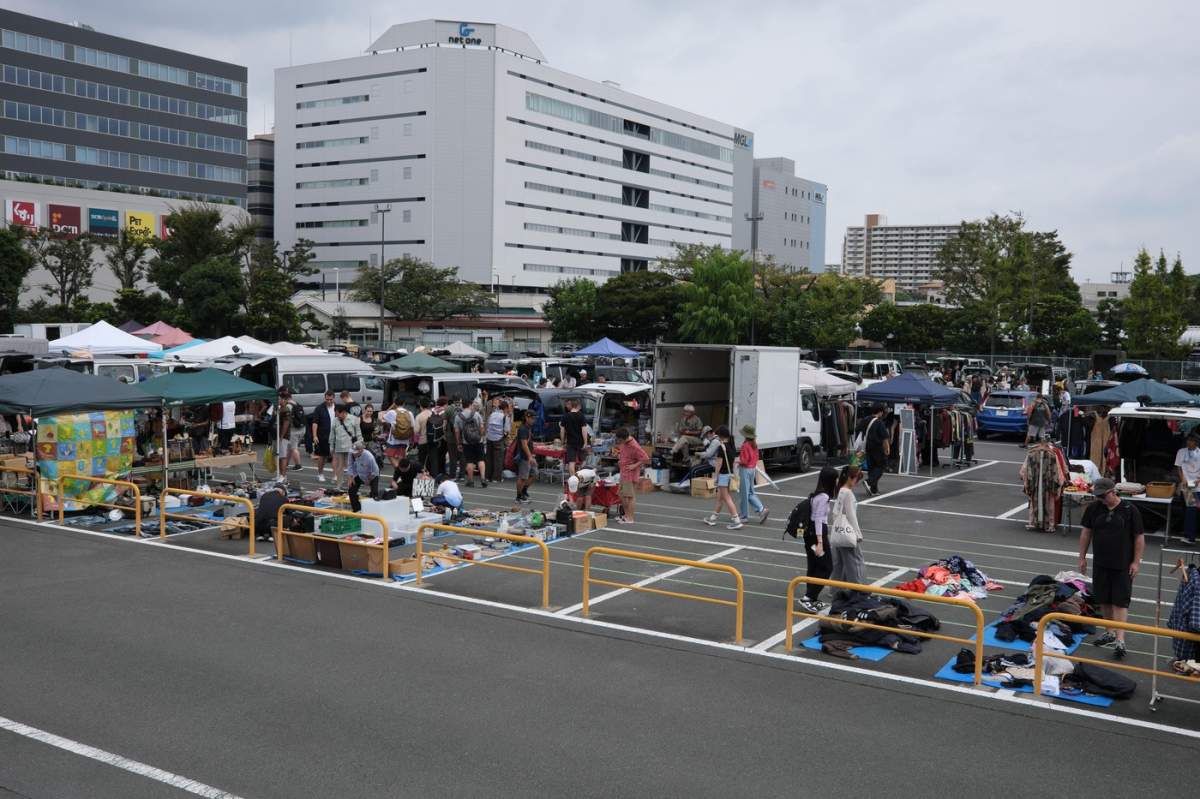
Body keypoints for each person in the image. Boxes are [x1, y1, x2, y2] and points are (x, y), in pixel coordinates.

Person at [1079, 477, 1145, 660]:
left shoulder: (1130, 510)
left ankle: (1120, 640)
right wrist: (1082, 557)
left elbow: (1139, 538)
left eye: (1103, 495)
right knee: (1104, 600)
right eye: (1098, 496)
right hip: (1101, 563)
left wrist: (1136, 562)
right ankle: (1109, 632)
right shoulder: (1094, 508)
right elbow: (1086, 533)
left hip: (1122, 564)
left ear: (1113, 491)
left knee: (1120, 601)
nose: (1100, 499)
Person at [798, 466, 839, 613]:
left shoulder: (817, 495)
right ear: (830, 480)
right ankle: (809, 597)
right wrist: (820, 542)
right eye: (835, 478)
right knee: (826, 567)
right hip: (816, 536)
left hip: (810, 536)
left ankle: (811, 598)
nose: (837, 481)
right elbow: (818, 520)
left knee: (814, 566)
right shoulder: (823, 497)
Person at [829, 465, 866, 587]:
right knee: (855, 562)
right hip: (848, 532)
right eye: (857, 478)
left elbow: (835, 512)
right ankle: (857, 588)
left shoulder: (840, 490)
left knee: (839, 564)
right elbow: (851, 516)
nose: (857, 482)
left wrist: (837, 526)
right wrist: (858, 534)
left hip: (839, 532)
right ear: (851, 478)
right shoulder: (848, 493)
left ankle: (835, 590)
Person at [703, 425, 741, 528]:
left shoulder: (721, 447)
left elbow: (718, 464)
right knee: (720, 498)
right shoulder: (732, 446)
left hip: (723, 475)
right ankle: (713, 518)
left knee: (727, 498)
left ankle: (736, 520)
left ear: (720, 436)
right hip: (729, 475)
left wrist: (715, 477)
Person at [735, 425, 769, 525]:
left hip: (745, 469)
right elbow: (755, 457)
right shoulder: (754, 444)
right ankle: (761, 509)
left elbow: (744, 460)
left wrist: (738, 462)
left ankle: (746, 515)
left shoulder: (745, 445)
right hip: (752, 469)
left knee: (744, 494)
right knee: (749, 492)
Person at [615, 426, 649, 524]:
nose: (618, 441)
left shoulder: (634, 445)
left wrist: (634, 465)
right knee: (622, 495)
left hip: (630, 474)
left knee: (630, 496)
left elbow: (645, 458)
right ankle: (626, 515)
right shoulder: (625, 443)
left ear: (623, 438)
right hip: (623, 472)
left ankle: (630, 518)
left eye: (619, 439)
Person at [454, 400, 488, 488]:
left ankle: (471, 480)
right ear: (470, 405)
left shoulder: (458, 416)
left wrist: (458, 443)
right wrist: (481, 436)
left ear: (462, 406)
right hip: (478, 440)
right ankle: (483, 479)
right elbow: (481, 427)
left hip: (466, 442)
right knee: (481, 459)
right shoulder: (476, 414)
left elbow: (457, 432)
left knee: (469, 461)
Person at [331, 404, 363, 490]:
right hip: (339, 446)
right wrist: (331, 446)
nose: (336, 416)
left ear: (344, 412)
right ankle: (338, 486)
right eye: (336, 414)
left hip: (351, 447)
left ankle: (351, 486)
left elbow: (358, 433)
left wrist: (360, 445)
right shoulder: (335, 420)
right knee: (340, 466)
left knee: (351, 467)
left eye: (338, 414)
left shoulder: (354, 419)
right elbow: (332, 434)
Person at [1178, 434, 1200, 545]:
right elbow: (1179, 468)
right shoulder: (1181, 452)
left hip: (1197, 485)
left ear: (1196, 442)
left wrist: (1196, 482)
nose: (1189, 442)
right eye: (1188, 440)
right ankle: (1189, 535)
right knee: (1190, 510)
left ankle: (1190, 536)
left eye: (1191, 440)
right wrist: (1184, 480)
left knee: (1192, 510)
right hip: (1186, 484)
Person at [310, 390, 337, 483]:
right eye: (327, 399)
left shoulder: (338, 407)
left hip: (336, 435)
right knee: (322, 456)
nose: (329, 401)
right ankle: (320, 474)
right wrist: (314, 436)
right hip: (323, 435)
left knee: (335, 456)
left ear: (334, 398)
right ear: (325, 398)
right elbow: (315, 423)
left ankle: (335, 475)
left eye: (330, 399)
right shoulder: (319, 408)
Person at [276, 388, 304, 477]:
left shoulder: (288, 406)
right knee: (288, 448)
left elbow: (287, 420)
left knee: (293, 447)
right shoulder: (296, 403)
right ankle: (286, 464)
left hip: (293, 429)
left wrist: (282, 435)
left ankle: (298, 465)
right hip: (301, 427)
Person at [345, 440, 379, 513]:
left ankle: (374, 510)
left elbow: (375, 471)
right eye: (353, 452)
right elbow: (350, 465)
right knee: (351, 490)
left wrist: (368, 480)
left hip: (371, 475)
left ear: (361, 450)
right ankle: (357, 509)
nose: (354, 454)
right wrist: (350, 477)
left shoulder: (369, 457)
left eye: (356, 452)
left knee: (374, 493)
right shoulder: (351, 453)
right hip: (359, 474)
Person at [862, 406, 889, 496]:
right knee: (881, 466)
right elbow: (884, 437)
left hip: (867, 447)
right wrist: (887, 449)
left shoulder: (865, 420)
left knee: (872, 468)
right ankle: (869, 482)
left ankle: (873, 490)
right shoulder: (879, 422)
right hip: (877, 448)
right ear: (880, 412)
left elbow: (858, 429)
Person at [560, 398, 589, 476]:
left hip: (570, 442)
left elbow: (562, 431)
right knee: (583, 460)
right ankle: (580, 475)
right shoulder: (581, 416)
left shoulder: (565, 416)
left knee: (571, 462)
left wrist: (562, 442)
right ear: (577, 406)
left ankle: (572, 479)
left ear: (571, 405)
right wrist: (585, 442)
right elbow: (584, 430)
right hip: (580, 442)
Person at [514, 409, 537, 503]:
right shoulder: (523, 429)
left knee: (534, 474)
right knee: (523, 477)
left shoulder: (528, 428)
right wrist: (529, 457)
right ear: (527, 418)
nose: (533, 420)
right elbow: (524, 444)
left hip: (529, 456)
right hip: (524, 457)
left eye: (534, 418)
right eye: (532, 418)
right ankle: (518, 496)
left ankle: (524, 491)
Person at [486, 398, 511, 483]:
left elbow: (488, 425)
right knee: (498, 459)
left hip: (489, 438)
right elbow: (507, 430)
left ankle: (487, 477)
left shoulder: (492, 414)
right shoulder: (505, 417)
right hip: (498, 439)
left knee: (489, 458)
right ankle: (496, 478)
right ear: (506, 408)